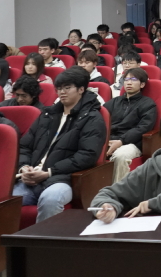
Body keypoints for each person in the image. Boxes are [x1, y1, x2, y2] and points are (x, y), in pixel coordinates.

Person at [13, 67, 106, 223]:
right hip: (32, 177)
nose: (62, 92)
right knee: (2, 201)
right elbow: (24, 147)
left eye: (67, 88)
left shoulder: (92, 118)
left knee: (50, 200)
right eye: (59, 88)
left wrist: (49, 172)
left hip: (64, 179)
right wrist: (24, 167)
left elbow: (87, 155)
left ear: (81, 89)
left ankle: (43, 240)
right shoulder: (48, 115)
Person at [103, 67, 157, 183]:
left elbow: (143, 127)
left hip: (132, 143)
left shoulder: (148, 104)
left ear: (142, 84)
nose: (129, 82)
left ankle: (118, 191)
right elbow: (101, 119)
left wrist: (121, 141)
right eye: (126, 79)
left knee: (121, 156)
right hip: (110, 139)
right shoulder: (114, 102)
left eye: (133, 79)